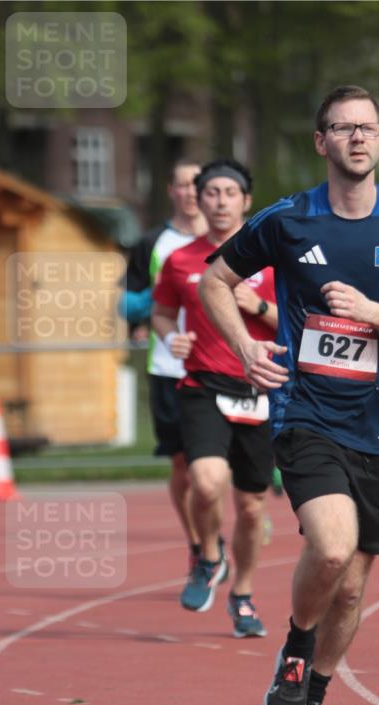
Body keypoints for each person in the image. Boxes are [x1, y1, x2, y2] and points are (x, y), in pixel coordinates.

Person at [200, 85, 379, 705]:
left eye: (367, 128)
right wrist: (245, 347)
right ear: (322, 142)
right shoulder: (289, 219)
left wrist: (372, 312)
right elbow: (213, 281)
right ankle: (294, 646)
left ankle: (312, 699)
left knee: (350, 590)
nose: (356, 138)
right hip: (304, 412)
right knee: (333, 548)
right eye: (342, 128)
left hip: (377, 424)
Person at [151, 159, 277, 638]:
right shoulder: (181, 259)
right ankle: (208, 555)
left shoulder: (272, 259)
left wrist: (257, 305)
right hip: (202, 384)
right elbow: (162, 313)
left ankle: (242, 595)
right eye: (211, 192)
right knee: (205, 482)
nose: (220, 201)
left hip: (260, 387)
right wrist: (171, 338)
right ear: (197, 200)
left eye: (230, 193)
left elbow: (299, 319)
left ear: (246, 201)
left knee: (251, 506)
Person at [120, 158, 208, 574]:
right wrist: (151, 306)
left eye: (198, 184)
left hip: (221, 366)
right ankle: (198, 542)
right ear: (172, 190)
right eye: (183, 185)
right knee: (183, 467)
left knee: (217, 464)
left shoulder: (228, 238)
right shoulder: (152, 243)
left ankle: (240, 517)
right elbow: (128, 302)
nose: (191, 192)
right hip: (169, 365)